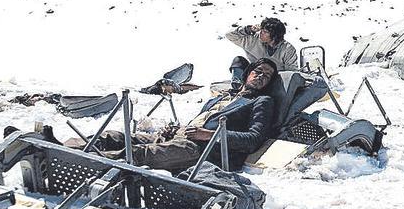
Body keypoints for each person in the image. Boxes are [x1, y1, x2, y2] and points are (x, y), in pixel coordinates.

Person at [66, 58, 277, 173]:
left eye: (266, 76)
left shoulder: (261, 102)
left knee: (140, 153)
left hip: (204, 149)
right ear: (248, 73)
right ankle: (61, 147)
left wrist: (209, 136)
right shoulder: (223, 96)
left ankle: (74, 162)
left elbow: (252, 140)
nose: (260, 77)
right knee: (116, 137)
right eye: (258, 71)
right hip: (181, 137)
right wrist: (177, 129)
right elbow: (202, 121)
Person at [226, 18, 299, 88]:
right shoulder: (254, 40)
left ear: (274, 36)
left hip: (273, 80)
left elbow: (291, 72)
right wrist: (248, 29)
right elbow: (229, 35)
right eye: (261, 30)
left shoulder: (287, 49)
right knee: (239, 60)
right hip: (255, 75)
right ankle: (238, 87)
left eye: (265, 32)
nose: (261, 33)